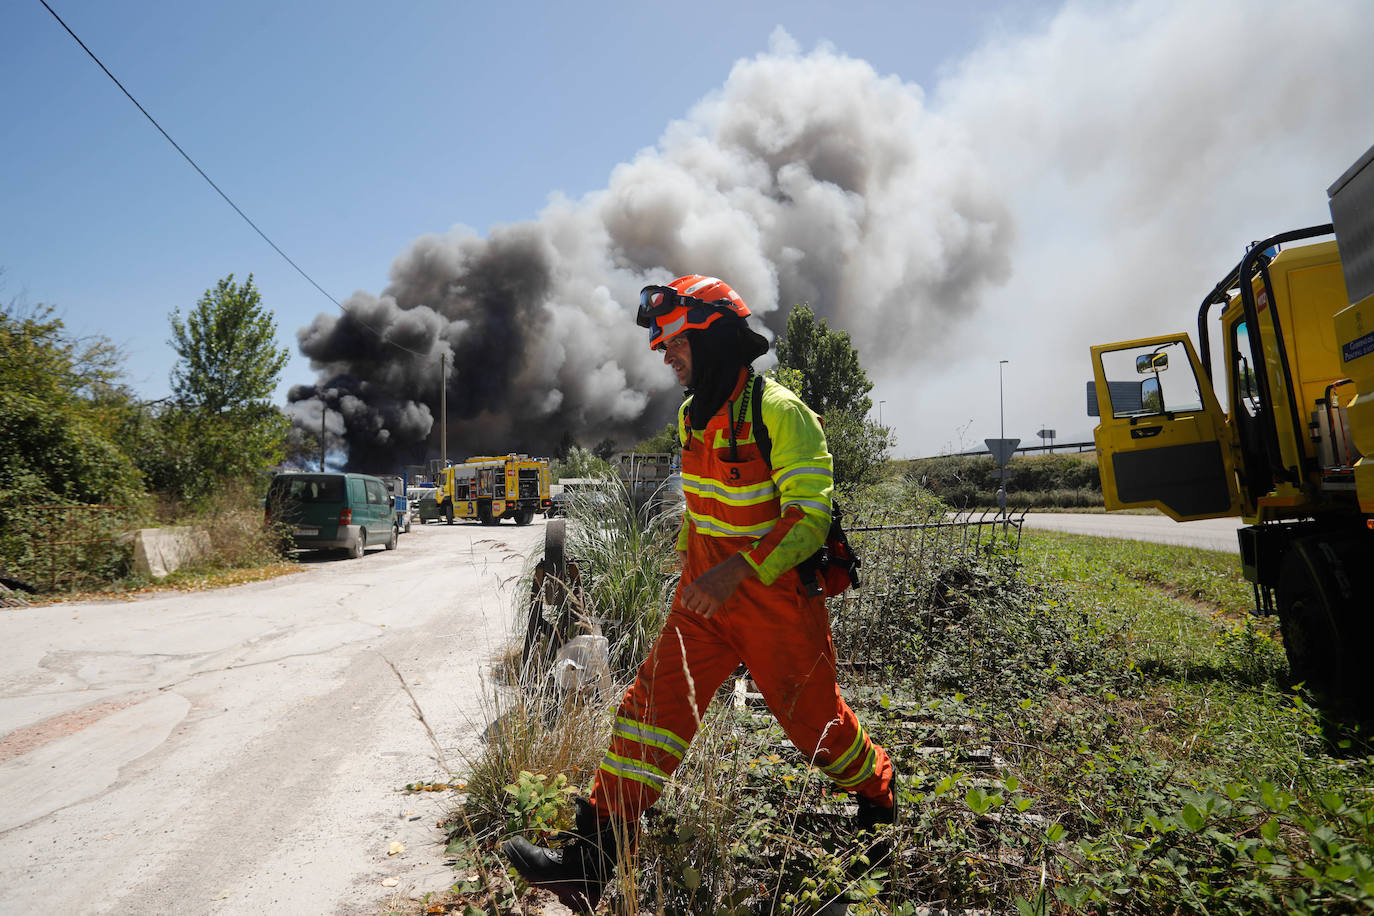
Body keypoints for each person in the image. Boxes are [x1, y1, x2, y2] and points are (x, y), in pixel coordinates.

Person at [503, 275, 897, 910]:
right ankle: (593, 859)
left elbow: (810, 520)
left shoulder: (782, 413)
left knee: (816, 727)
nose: (664, 355)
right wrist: (690, 573)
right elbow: (704, 514)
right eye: (662, 345)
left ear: (712, 336)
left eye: (674, 342)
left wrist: (734, 572)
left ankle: (878, 796)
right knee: (648, 713)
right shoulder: (691, 418)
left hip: (775, 604)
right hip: (703, 604)